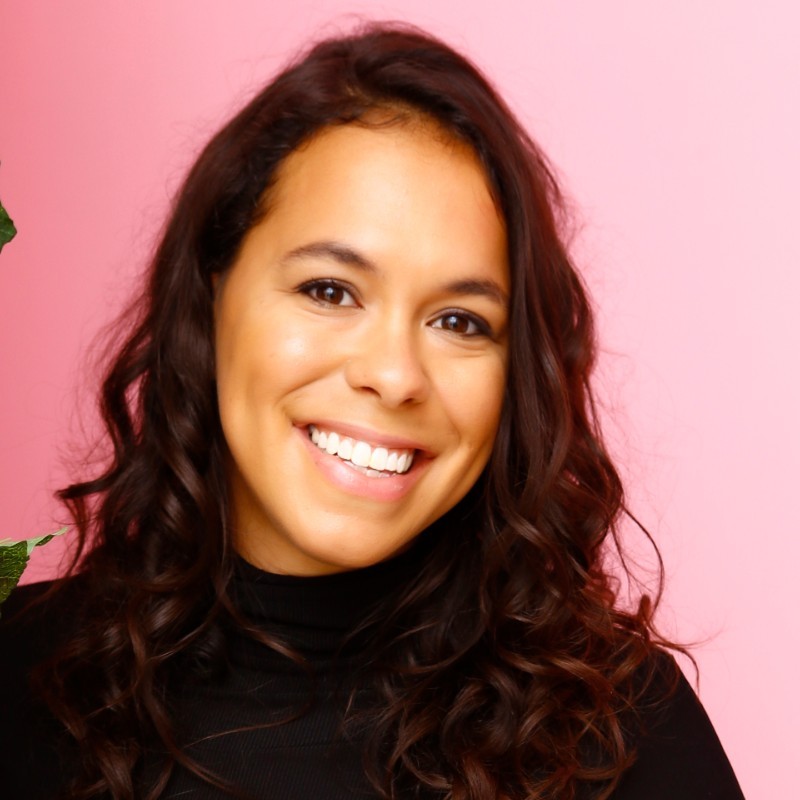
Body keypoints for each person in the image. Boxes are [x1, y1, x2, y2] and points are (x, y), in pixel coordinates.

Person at [0, 22, 744, 800]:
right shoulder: (17, 680)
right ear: (212, 293)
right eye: (329, 291)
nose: (394, 376)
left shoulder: (624, 733)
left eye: (460, 322)